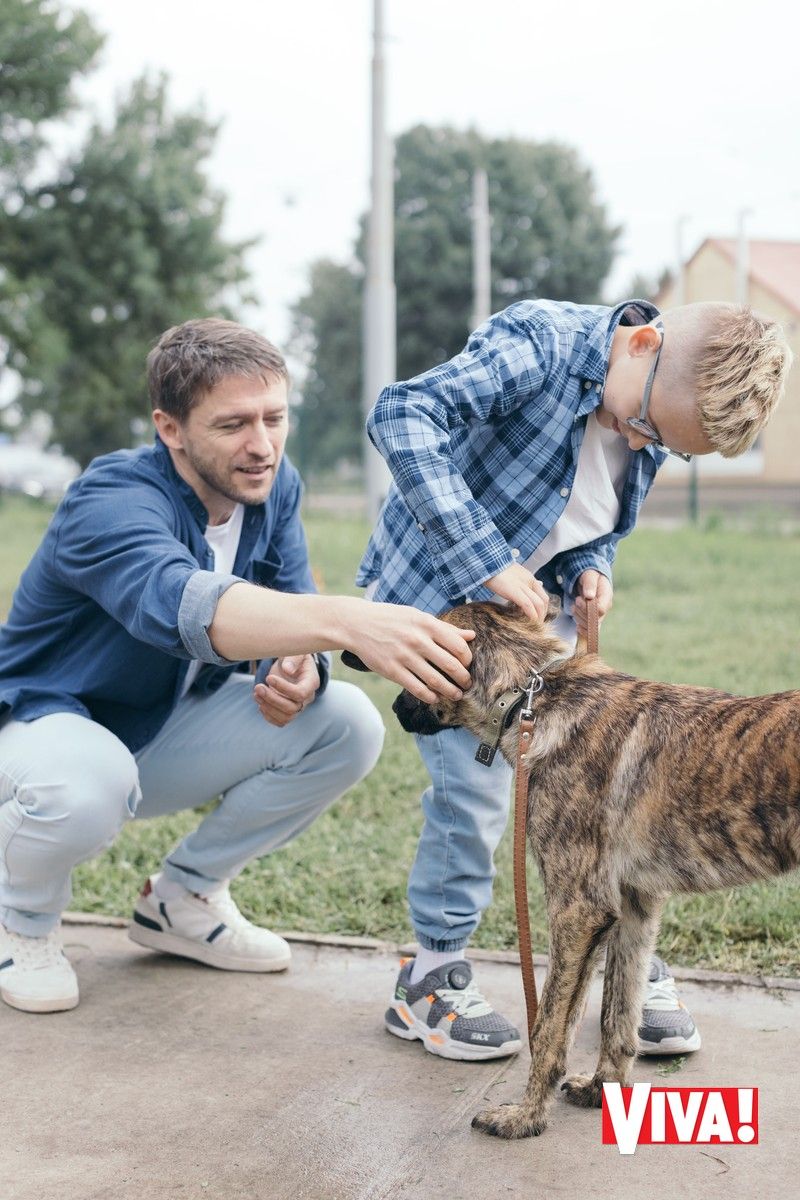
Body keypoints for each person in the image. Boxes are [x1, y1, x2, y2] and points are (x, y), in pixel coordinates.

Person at [0, 318, 475, 1015]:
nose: (262, 445)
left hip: (151, 731)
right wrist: (347, 621)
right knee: (87, 776)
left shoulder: (273, 488)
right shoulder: (110, 501)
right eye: (233, 425)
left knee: (345, 722)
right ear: (171, 428)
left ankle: (183, 900)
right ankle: (21, 922)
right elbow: (188, 606)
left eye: (274, 418)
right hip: (38, 731)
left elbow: (289, 601)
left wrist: (301, 666)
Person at [358, 298, 792, 1061]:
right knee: (476, 790)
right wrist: (484, 559)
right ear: (644, 345)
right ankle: (430, 974)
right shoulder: (539, 344)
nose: (638, 442)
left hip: (539, 632)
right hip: (449, 620)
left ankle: (626, 966)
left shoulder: (652, 405)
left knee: (604, 802)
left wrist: (593, 567)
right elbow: (404, 415)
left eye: (663, 448)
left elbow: (587, 517)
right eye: (649, 427)